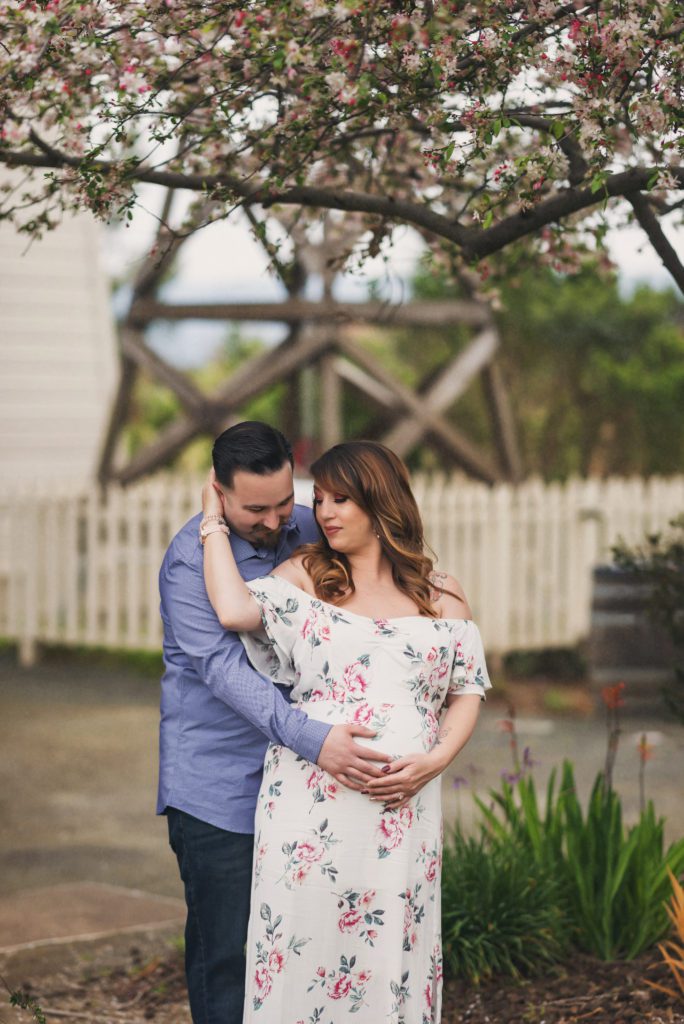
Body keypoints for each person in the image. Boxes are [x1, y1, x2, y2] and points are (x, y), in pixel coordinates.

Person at [200, 439, 492, 1024]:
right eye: (320, 499)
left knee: (390, 950)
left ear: (380, 502)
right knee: (301, 946)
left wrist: (436, 759)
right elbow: (233, 611)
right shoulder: (306, 575)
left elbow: (467, 691)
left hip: (402, 807)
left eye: (341, 499)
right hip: (310, 804)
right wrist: (212, 522)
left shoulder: (440, 593)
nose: (324, 512)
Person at [157, 422, 393, 1024]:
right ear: (218, 493)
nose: (274, 520)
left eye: (284, 501)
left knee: (305, 946)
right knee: (228, 955)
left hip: (308, 785)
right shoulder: (188, 562)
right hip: (220, 789)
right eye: (255, 510)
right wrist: (315, 739)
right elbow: (224, 673)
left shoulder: (314, 529)